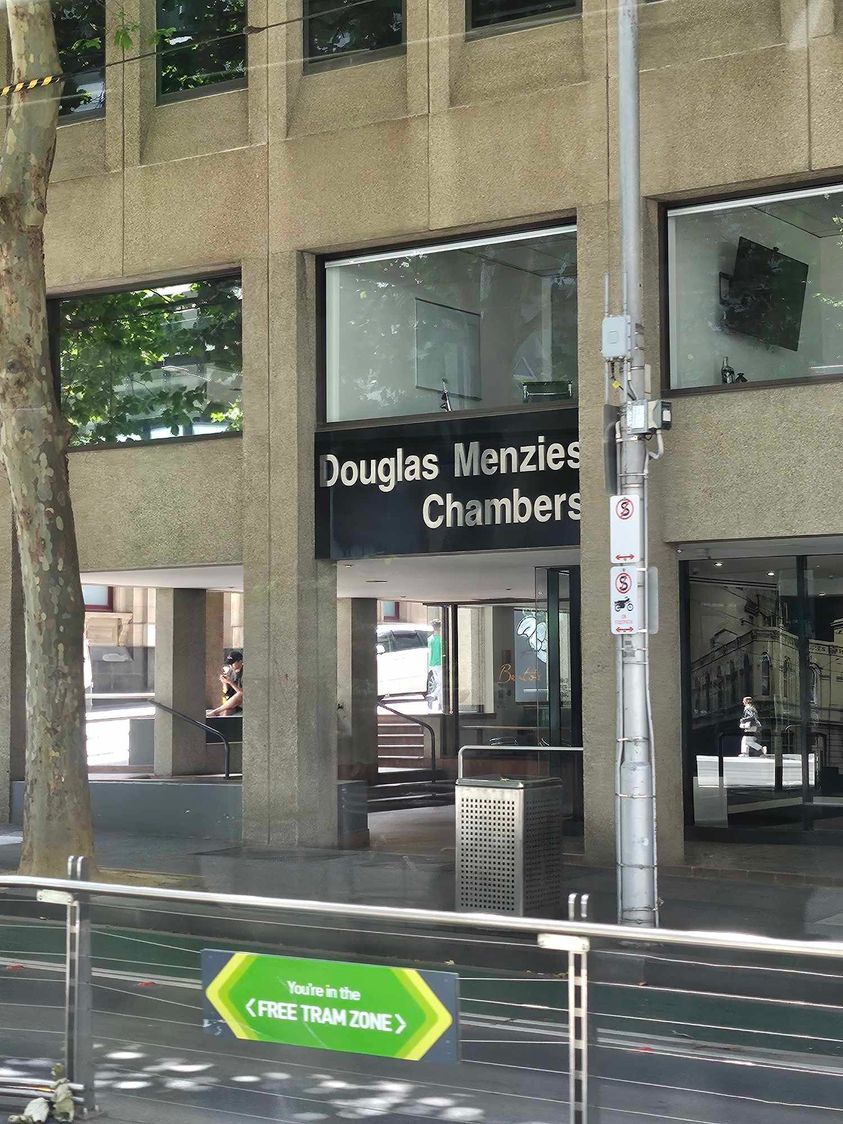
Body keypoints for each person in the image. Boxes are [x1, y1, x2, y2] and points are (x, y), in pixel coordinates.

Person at [209, 650, 243, 716]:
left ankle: (216, 711)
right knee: (226, 712)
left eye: (232, 663)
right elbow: (226, 692)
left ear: (240, 661)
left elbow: (242, 693)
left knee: (240, 694)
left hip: (242, 700)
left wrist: (231, 682)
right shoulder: (231, 671)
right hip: (234, 701)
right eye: (229, 664)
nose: (231, 666)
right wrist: (224, 683)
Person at [427, 620, 442, 712]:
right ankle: (433, 696)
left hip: (432, 664)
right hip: (440, 663)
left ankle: (440, 705)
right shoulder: (441, 639)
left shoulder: (430, 639)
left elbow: (429, 652)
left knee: (439, 683)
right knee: (442, 684)